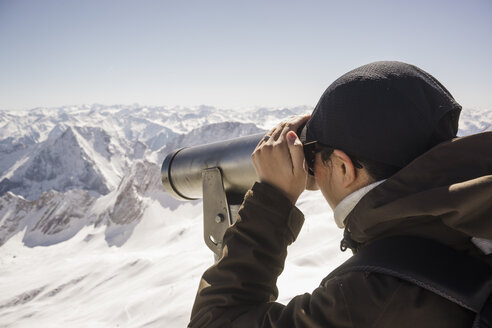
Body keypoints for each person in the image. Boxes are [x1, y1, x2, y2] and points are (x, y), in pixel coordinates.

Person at [188, 61, 492, 327]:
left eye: (312, 155)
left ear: (344, 168)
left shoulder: (371, 298)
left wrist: (273, 197)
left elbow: (212, 321)